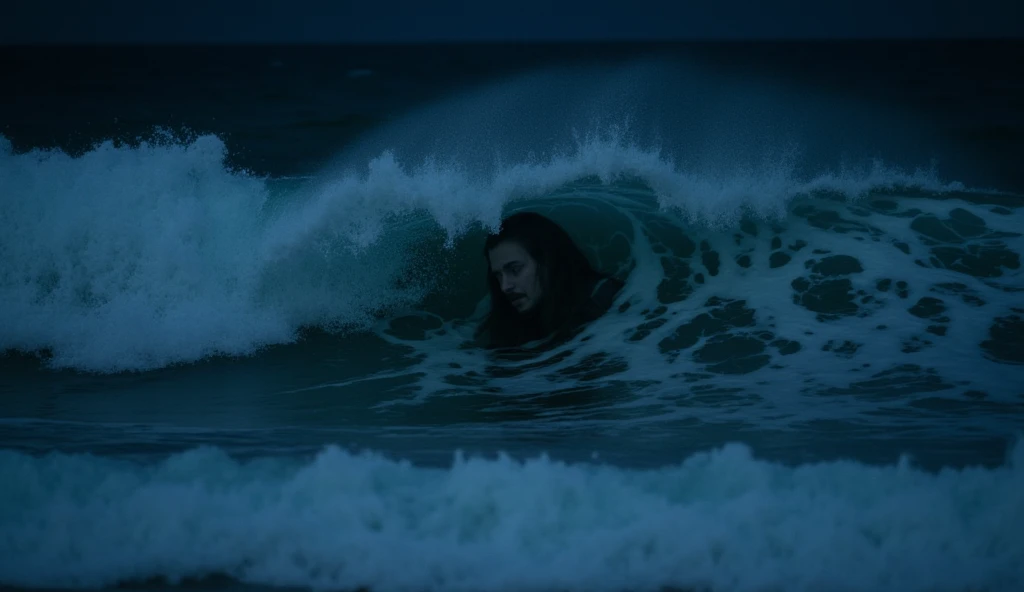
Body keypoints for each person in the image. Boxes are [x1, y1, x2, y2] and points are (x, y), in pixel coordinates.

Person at [475, 211, 625, 349]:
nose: (504, 286)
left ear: (547, 261)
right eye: (498, 276)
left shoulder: (606, 300)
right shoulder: (511, 324)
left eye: (515, 270)